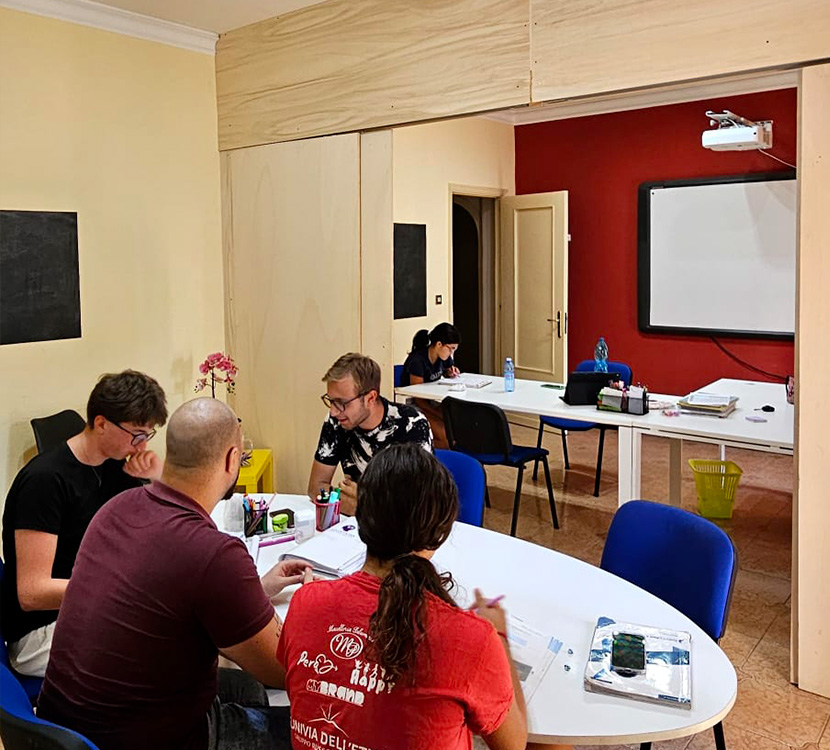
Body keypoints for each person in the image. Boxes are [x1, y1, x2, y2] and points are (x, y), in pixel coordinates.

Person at [38, 398, 310, 750]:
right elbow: (283, 668)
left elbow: (166, 592)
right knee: (315, 727)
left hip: (65, 727)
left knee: (249, 688)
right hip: (143, 738)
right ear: (232, 460)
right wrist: (315, 605)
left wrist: (254, 590)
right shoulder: (215, 553)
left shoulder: (115, 509)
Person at [282, 443, 527, 749]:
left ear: (361, 519)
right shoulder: (473, 638)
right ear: (441, 532)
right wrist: (499, 635)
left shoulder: (305, 602)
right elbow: (514, 744)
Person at [0, 369, 167, 678]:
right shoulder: (44, 482)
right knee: (169, 643)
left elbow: (157, 530)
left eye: (147, 436)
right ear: (101, 423)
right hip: (41, 632)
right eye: (136, 436)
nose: (142, 447)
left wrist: (158, 479)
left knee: (184, 619)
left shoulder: (115, 467)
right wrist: (116, 587)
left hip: (92, 605)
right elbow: (32, 592)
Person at [308, 353, 432, 515]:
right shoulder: (337, 421)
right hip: (361, 525)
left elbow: (417, 506)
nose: (333, 412)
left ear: (370, 398)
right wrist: (357, 505)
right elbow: (316, 487)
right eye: (331, 401)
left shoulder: (412, 424)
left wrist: (364, 505)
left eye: (341, 402)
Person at [401, 322, 462, 448]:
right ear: (439, 344)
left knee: (457, 426)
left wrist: (450, 373)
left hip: (431, 401)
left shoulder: (443, 358)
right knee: (444, 433)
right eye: (451, 348)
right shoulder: (418, 361)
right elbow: (418, 399)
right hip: (414, 404)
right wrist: (438, 415)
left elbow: (447, 370)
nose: (451, 353)